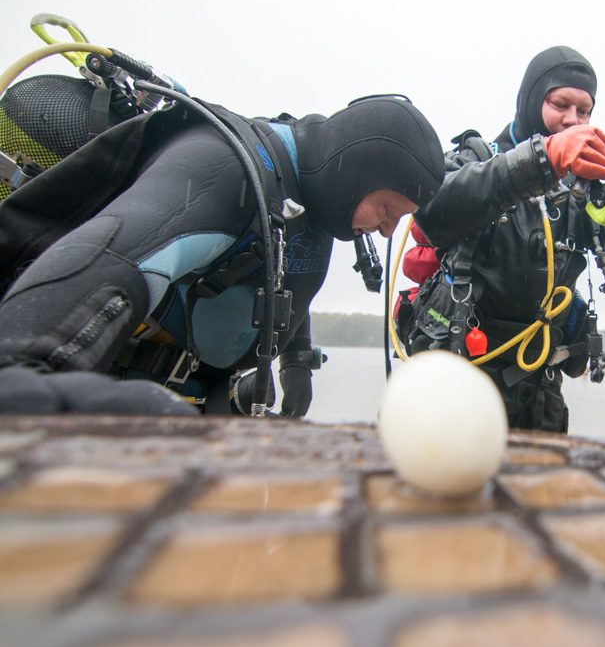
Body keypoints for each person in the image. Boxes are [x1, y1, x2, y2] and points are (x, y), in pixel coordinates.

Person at [0, 93, 445, 416]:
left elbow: (281, 270)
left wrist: (297, 362)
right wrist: (32, 367)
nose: (389, 229)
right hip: (117, 398)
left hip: (200, 402)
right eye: (388, 209)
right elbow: (114, 255)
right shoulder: (226, 169)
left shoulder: (318, 202)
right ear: (356, 171)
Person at [401, 46, 605, 432]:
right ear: (532, 101)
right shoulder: (474, 160)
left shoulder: (583, 195)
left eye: (584, 111)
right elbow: (434, 212)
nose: (573, 119)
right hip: (457, 377)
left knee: (541, 491)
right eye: (560, 104)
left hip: (538, 388)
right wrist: (543, 160)